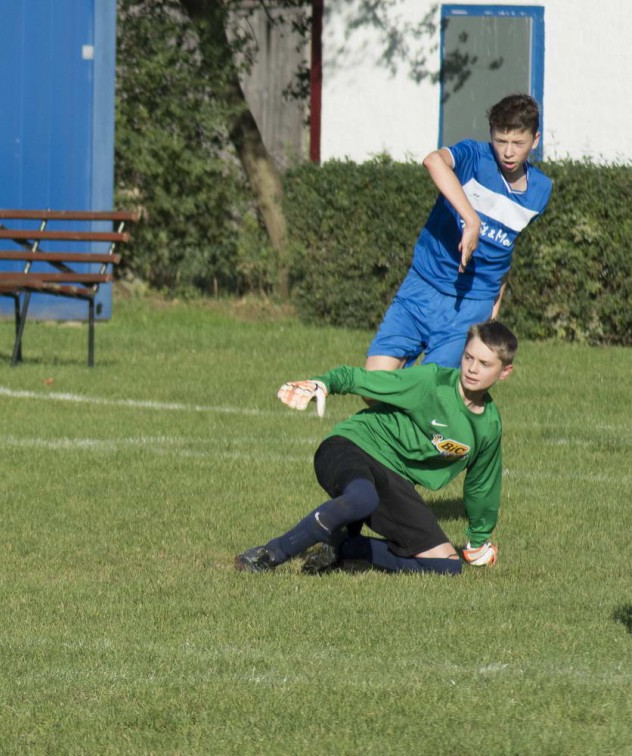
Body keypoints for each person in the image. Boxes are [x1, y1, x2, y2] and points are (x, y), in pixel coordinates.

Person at [235, 320, 517, 576]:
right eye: (468, 357)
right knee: (362, 498)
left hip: (393, 479)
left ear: (504, 371)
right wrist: (324, 383)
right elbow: (367, 381)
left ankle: (346, 547)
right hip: (352, 446)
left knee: (446, 566)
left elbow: (482, 484)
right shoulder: (433, 382)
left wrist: (478, 540)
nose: (472, 368)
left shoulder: (488, 427)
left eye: (484, 363)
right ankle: (271, 553)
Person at [366, 94, 551, 371]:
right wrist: (471, 219)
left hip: (472, 304)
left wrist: (494, 307)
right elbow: (433, 161)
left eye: (518, 143)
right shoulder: (473, 156)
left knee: (431, 389)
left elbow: (505, 249)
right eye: (501, 141)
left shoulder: (541, 190)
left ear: (535, 140)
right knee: (374, 383)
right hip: (423, 286)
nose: (508, 152)